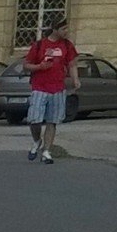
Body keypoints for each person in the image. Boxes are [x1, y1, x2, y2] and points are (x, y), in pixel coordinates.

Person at [23, 20, 78, 164]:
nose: (66, 32)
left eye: (67, 28)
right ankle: (37, 140)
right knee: (34, 120)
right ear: (55, 29)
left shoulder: (67, 45)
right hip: (40, 87)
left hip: (58, 88)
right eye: (64, 29)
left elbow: (72, 65)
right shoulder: (39, 45)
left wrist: (75, 79)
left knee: (52, 121)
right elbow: (26, 65)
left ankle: (46, 151)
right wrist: (40, 67)